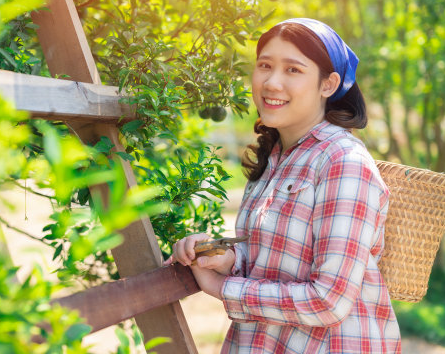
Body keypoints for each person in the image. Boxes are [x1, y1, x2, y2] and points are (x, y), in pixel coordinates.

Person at [164, 18, 402, 353]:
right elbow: (275, 258)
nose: (272, 82)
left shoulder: (342, 162)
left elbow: (329, 300)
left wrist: (223, 287)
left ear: (328, 84)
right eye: (265, 65)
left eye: (293, 70)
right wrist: (224, 257)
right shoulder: (275, 156)